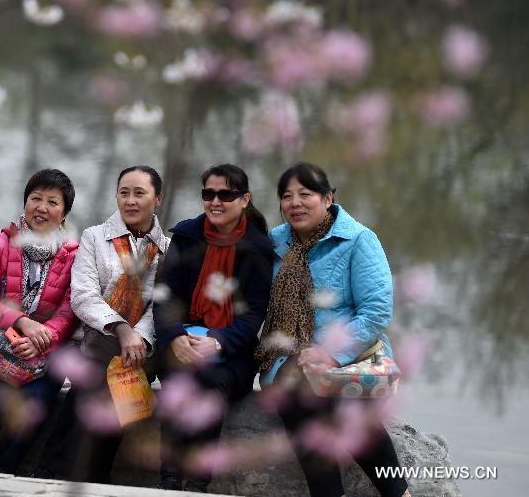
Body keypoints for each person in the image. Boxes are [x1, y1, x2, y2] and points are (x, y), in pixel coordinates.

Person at [255, 163, 411, 497]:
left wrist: (329, 353)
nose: (295, 203)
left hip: (349, 356)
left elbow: (376, 311)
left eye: (305, 194)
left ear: (328, 199)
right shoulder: (276, 243)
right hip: (287, 356)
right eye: (287, 196)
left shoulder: (358, 240)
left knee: (334, 403)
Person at [37, 166, 170, 483]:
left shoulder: (166, 247)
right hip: (99, 338)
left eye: (140, 193)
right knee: (95, 379)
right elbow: (83, 295)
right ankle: (64, 473)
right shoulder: (95, 237)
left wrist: (139, 337)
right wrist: (121, 329)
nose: (130, 200)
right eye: (124, 192)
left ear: (158, 199)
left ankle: (69, 472)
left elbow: (162, 303)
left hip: (142, 347)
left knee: (121, 384)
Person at [0, 168, 79, 474]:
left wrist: (41, 339)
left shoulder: (74, 255)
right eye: (35, 198)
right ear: (25, 203)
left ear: (64, 213)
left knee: (33, 405)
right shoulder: (0, 243)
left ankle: (4, 472)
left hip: (42, 349)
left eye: (52, 202)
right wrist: (24, 324)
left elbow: (69, 312)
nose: (42, 208)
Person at [153, 163, 273, 492]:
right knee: (179, 380)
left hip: (231, 350)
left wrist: (218, 342)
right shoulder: (186, 237)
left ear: (245, 199)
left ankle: (196, 482)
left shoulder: (258, 249)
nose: (215, 201)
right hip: (182, 339)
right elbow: (164, 297)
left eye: (226, 194)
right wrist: (175, 336)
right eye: (208, 194)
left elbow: (254, 315)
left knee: (212, 382)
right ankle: (170, 478)